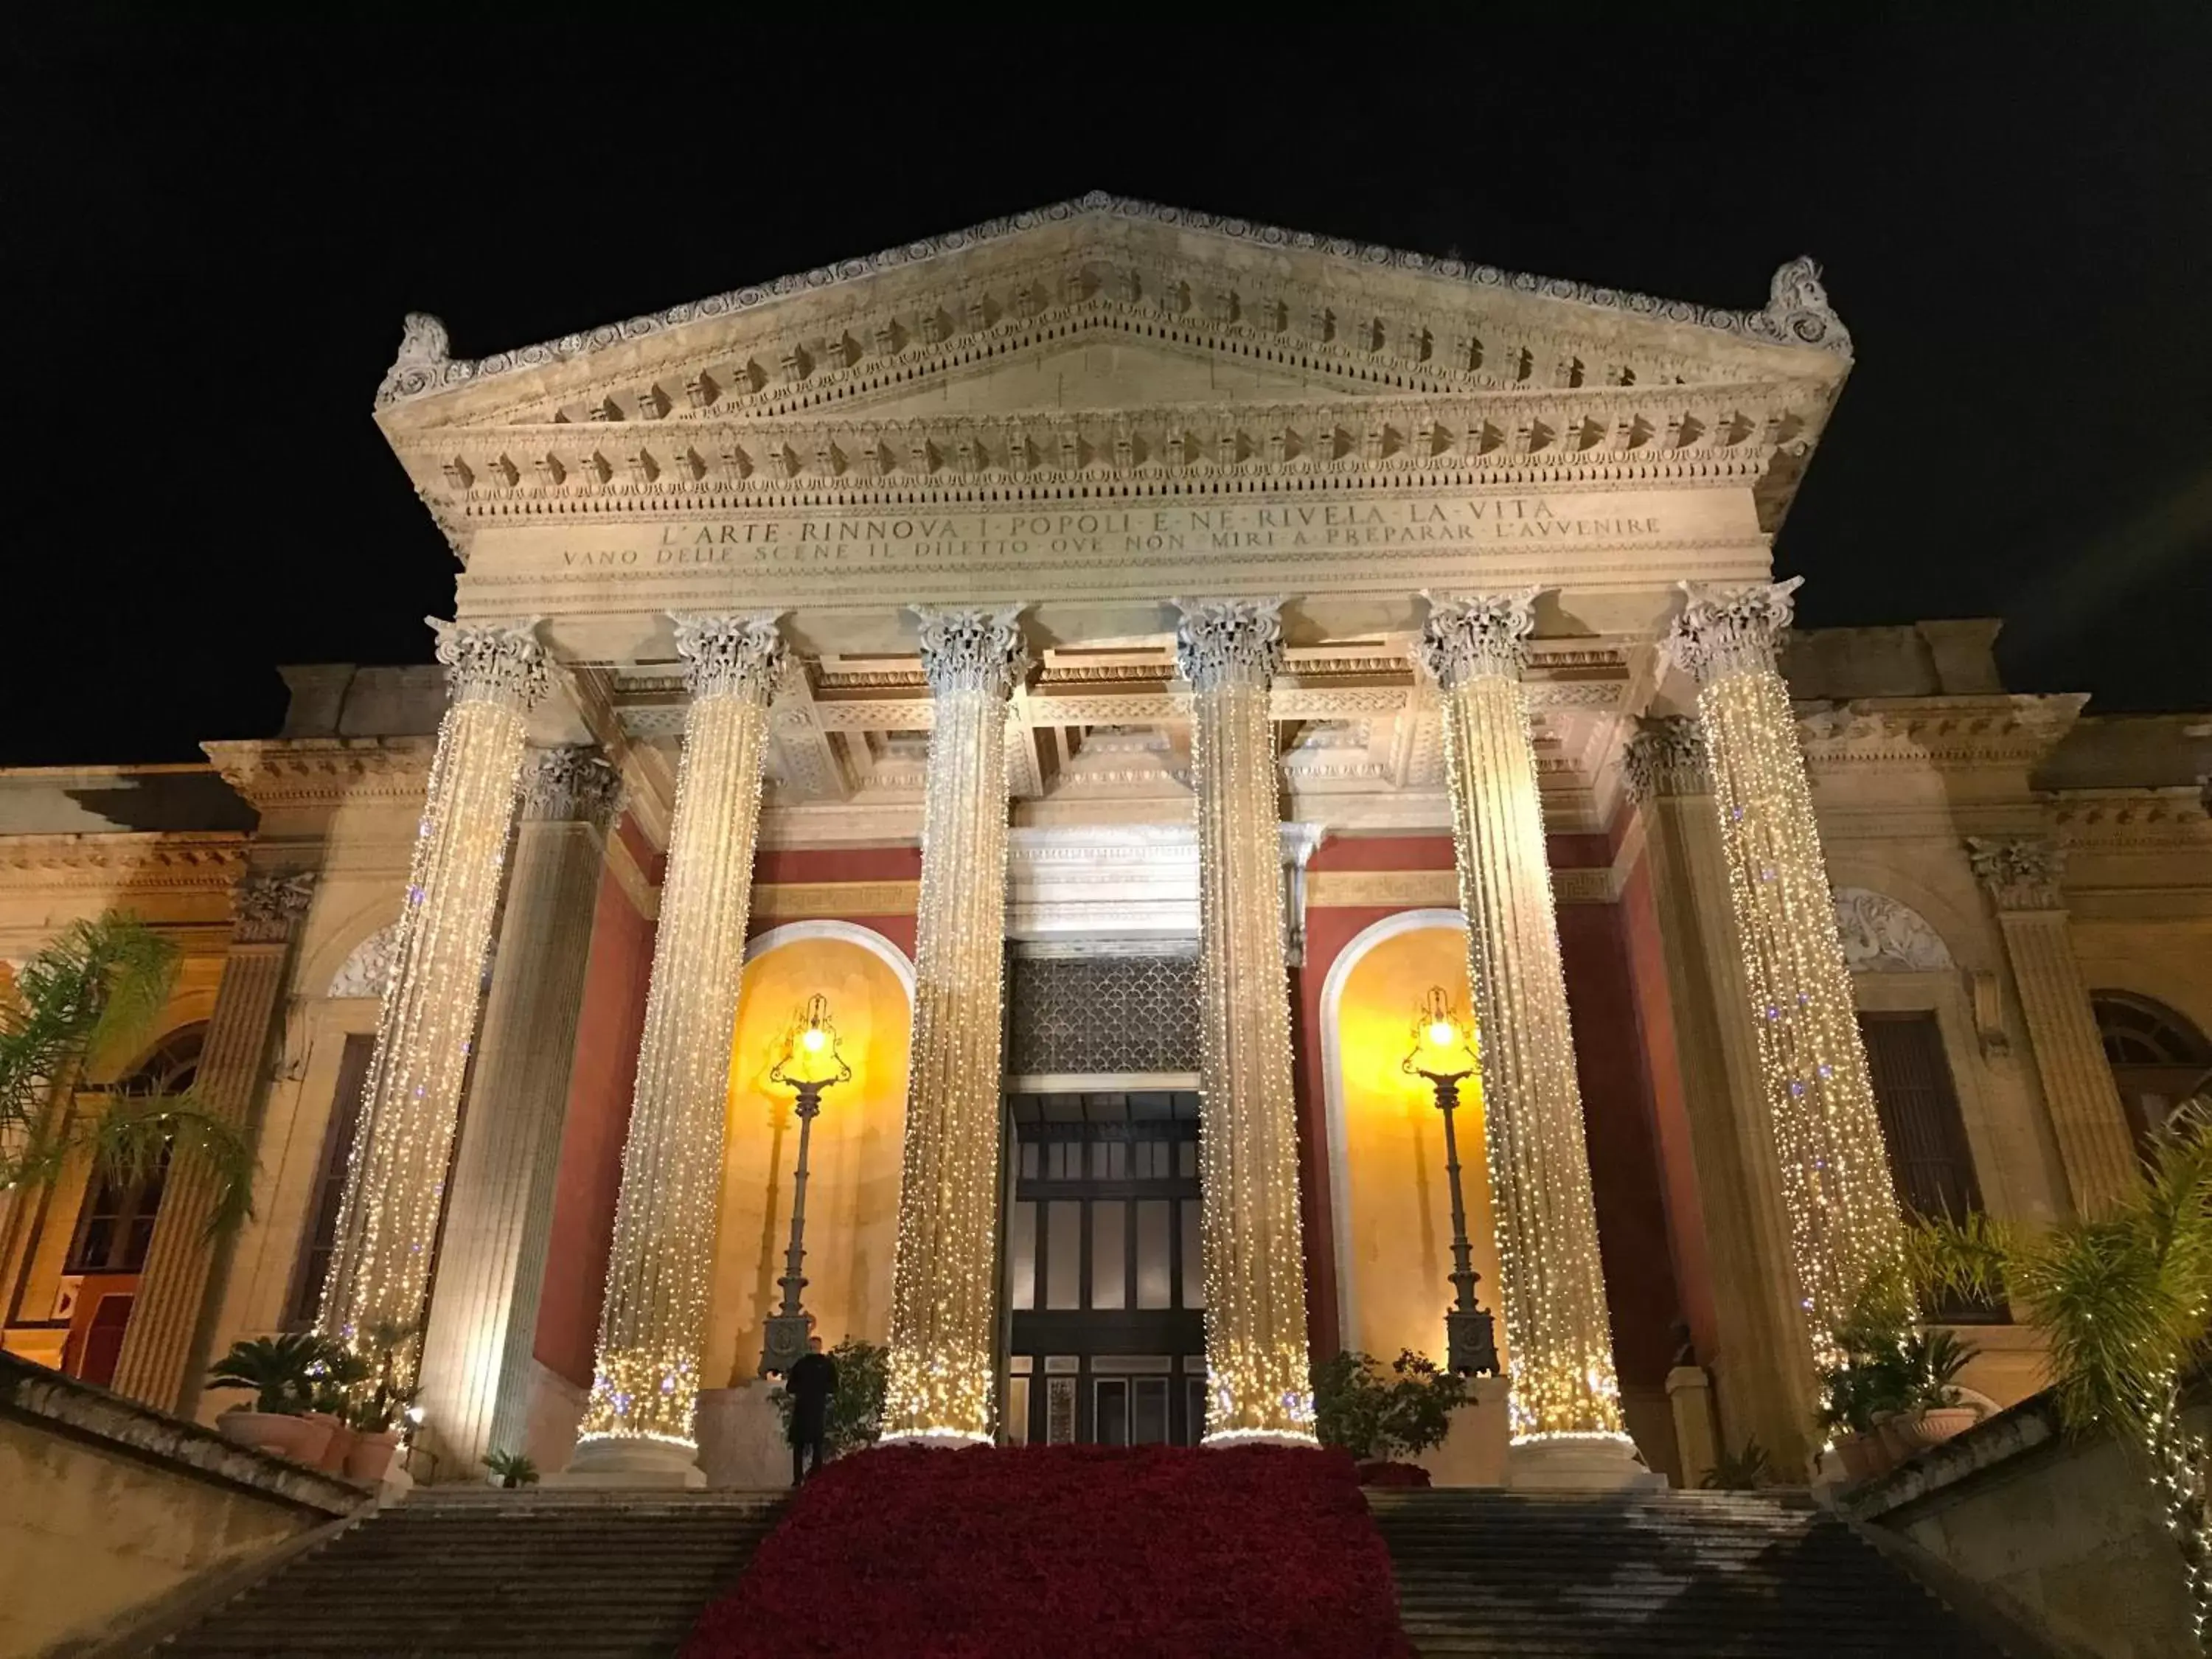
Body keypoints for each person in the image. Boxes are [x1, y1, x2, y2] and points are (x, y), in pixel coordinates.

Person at [784, 1335, 838, 1486]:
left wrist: (804, 1389)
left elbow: (790, 1387)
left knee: (802, 1446)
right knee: (816, 1445)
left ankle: (799, 1478)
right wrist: (820, 1389)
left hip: (804, 1409)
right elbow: (834, 1387)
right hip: (814, 1409)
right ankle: (813, 1477)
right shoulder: (826, 1365)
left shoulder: (801, 1364)